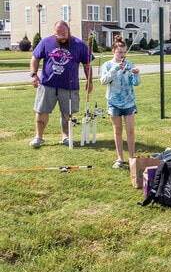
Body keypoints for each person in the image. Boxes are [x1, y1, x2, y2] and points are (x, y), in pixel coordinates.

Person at [29, 20, 93, 147]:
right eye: (58, 34)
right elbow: (35, 58)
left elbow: (87, 64)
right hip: (47, 84)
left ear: (68, 30)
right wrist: (33, 74)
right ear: (54, 32)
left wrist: (89, 81)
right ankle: (39, 137)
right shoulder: (46, 42)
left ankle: (66, 137)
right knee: (41, 111)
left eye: (64, 34)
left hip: (69, 86)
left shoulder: (79, 44)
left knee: (67, 113)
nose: (61, 37)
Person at [100, 35, 141, 168]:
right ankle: (120, 158)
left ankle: (131, 158)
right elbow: (103, 81)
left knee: (130, 130)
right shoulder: (107, 65)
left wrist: (135, 74)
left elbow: (136, 83)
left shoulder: (129, 64)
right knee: (117, 130)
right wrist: (116, 68)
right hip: (113, 102)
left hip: (129, 102)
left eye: (124, 52)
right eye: (119, 52)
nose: (122, 55)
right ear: (113, 51)